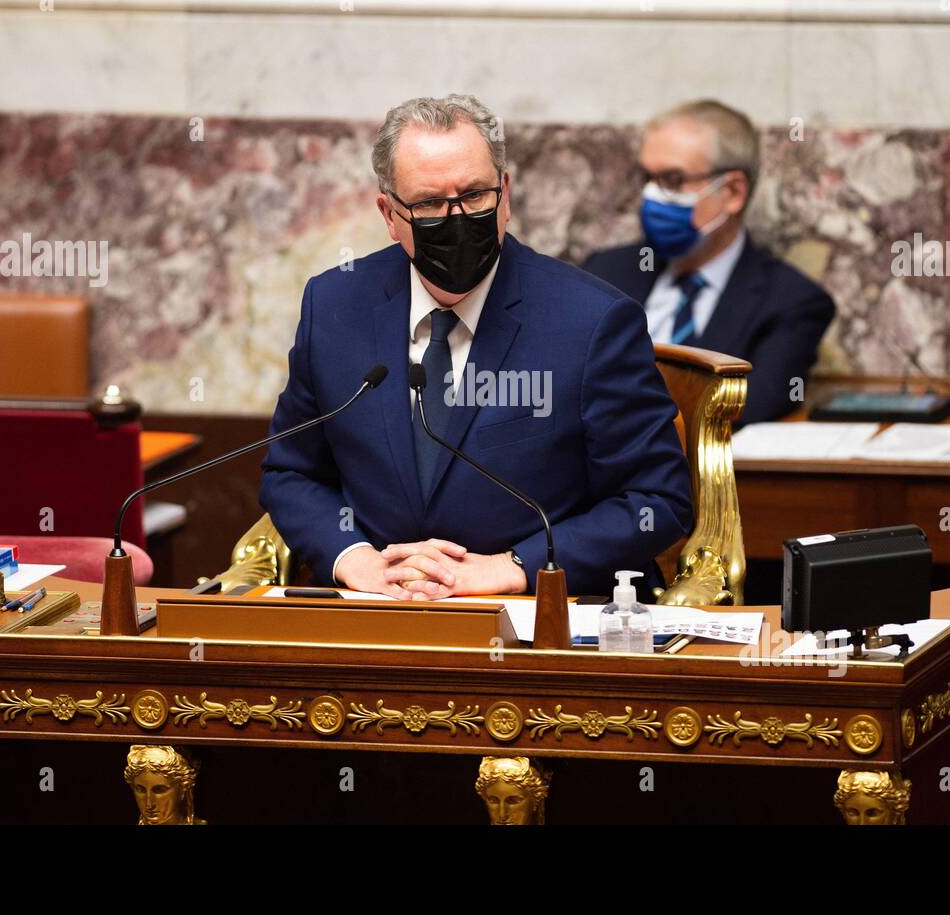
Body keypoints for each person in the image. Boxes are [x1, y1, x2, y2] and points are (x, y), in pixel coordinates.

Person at [260, 94, 691, 599]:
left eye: (475, 195)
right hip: (375, 609)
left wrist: (515, 566)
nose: (457, 217)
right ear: (390, 214)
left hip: (533, 616)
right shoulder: (336, 305)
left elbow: (657, 501)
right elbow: (291, 472)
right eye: (429, 204)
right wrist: (354, 557)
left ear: (505, 193)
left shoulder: (591, 321)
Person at [584, 100, 835, 424]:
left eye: (672, 180)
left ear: (732, 192)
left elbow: (741, 411)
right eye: (646, 178)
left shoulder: (791, 303)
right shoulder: (604, 273)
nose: (651, 196)